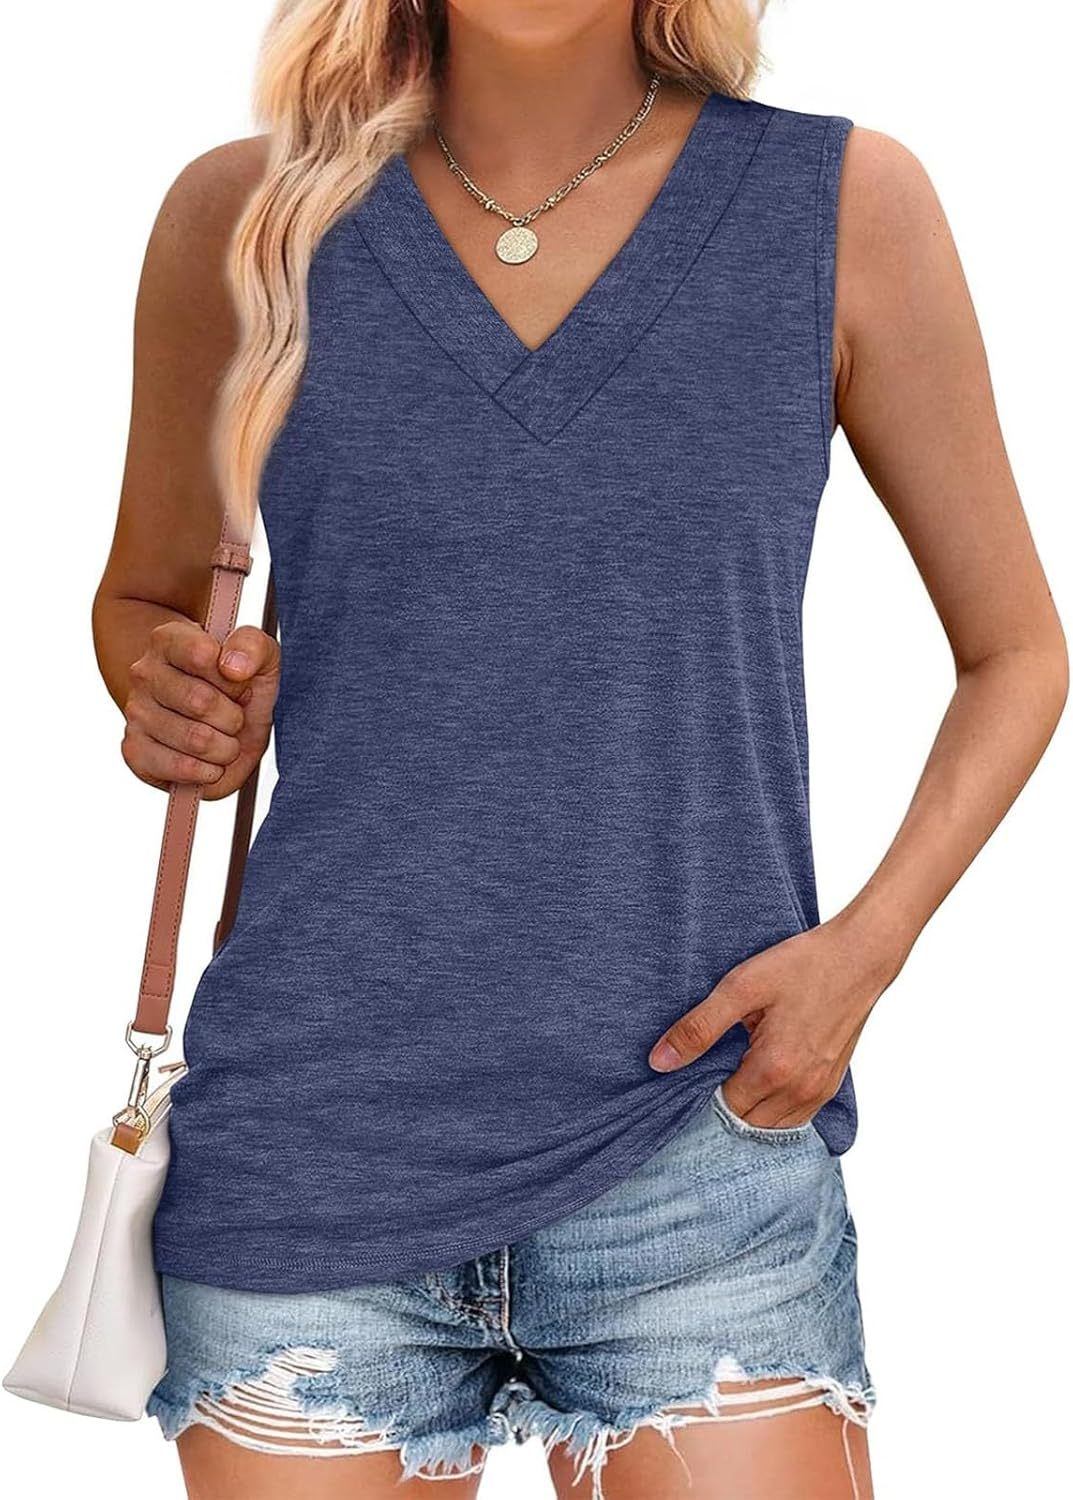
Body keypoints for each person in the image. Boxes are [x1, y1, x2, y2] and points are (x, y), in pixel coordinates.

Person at [90, 2, 1067, 1497]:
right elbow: (146, 602)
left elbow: (1016, 653)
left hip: (698, 1144)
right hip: (310, 1149)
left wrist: (860, 957)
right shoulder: (247, 214)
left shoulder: (843, 205)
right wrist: (175, 693)